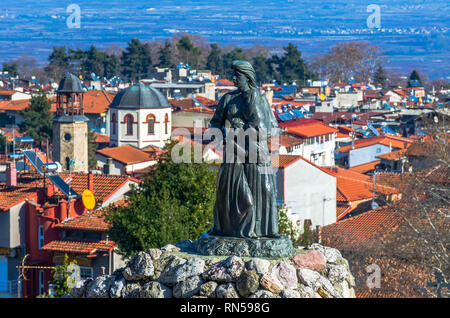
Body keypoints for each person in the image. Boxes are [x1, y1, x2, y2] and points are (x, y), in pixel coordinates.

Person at [208, 60, 280, 238]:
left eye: (237, 76)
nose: (233, 79)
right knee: (231, 192)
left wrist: (246, 129)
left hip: (258, 151)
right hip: (235, 151)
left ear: (247, 78)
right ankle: (227, 228)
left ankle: (267, 230)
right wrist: (223, 137)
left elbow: (271, 128)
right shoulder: (228, 99)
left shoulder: (260, 99)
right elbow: (216, 121)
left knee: (265, 189)